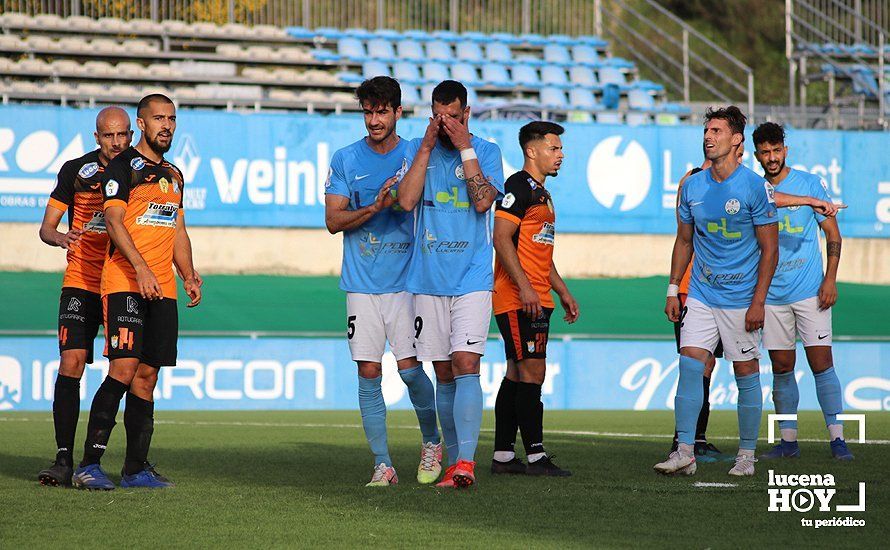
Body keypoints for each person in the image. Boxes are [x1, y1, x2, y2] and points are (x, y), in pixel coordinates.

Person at [72, 94, 201, 490]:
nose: (167, 125)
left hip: (163, 288)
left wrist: (189, 273)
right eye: (159, 118)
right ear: (141, 124)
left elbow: (176, 227)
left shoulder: (176, 175)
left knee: (147, 376)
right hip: (126, 282)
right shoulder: (123, 167)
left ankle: (134, 468)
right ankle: (88, 465)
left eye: (172, 119)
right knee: (124, 369)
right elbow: (112, 221)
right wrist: (142, 269)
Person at [324, 76, 442, 487]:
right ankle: (383, 464)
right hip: (360, 284)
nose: (374, 119)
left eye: (381, 111)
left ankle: (432, 442)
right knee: (368, 373)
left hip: (407, 283)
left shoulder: (414, 153)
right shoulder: (345, 159)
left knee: (411, 371)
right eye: (368, 111)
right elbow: (333, 221)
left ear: (397, 112)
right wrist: (375, 207)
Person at [655, 106, 778, 477]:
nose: (708, 137)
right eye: (706, 131)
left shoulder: (755, 187)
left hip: (742, 299)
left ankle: (746, 455)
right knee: (690, 364)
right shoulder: (692, 185)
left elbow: (770, 250)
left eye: (717, 131)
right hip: (703, 295)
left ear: (736, 139)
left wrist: (759, 302)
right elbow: (684, 241)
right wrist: (674, 289)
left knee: (745, 373)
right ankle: (685, 451)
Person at [397, 80, 504, 488]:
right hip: (427, 278)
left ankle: (465, 463)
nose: (447, 126)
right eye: (440, 119)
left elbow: (481, 201)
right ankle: (452, 463)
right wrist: (425, 146)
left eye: (455, 118)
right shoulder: (415, 149)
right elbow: (406, 202)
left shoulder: (487, 151)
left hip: (472, 277)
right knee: (442, 371)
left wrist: (465, 147)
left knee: (466, 364)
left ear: (467, 114)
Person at [37, 107, 133, 487]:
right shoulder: (75, 170)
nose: (116, 142)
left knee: (125, 368)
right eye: (109, 136)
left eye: (122, 134)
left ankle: (95, 461)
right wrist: (59, 237)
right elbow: (47, 227)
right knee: (71, 361)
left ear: (131, 133)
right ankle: (63, 457)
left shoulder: (141, 171)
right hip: (81, 279)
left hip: (121, 282)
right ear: (97, 137)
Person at [752, 122, 853, 461]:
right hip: (773, 296)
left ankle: (838, 439)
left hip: (811, 291)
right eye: (765, 152)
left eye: (776, 150)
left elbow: (833, 233)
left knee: (822, 363)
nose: (772, 157)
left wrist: (830, 279)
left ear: (785, 150)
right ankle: (788, 442)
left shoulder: (810, 183)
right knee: (781, 367)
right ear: (756, 156)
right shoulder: (753, 189)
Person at [490, 121, 578, 477]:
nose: (561, 155)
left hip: (538, 296)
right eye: (554, 148)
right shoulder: (517, 186)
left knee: (517, 371)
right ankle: (537, 457)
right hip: (518, 297)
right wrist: (525, 287)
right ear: (532, 151)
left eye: (559, 149)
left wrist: (562, 289)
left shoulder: (542, 193)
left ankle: (503, 457)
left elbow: (539, 250)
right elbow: (501, 238)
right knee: (533, 371)